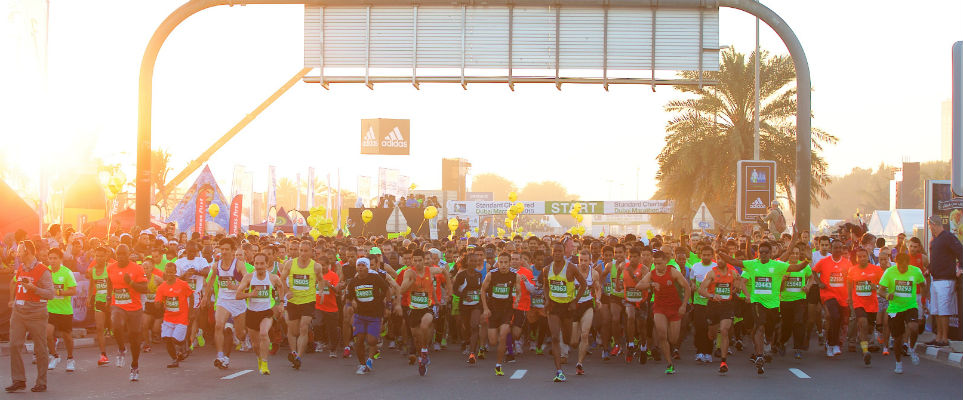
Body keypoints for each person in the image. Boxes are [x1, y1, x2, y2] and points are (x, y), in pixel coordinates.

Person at [718, 239, 807, 374]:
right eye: (761, 252)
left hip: (773, 305)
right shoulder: (753, 264)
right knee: (760, 327)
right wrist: (719, 253)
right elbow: (735, 262)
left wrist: (807, 259)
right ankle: (760, 356)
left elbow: (797, 268)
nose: (763, 254)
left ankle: (768, 342)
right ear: (758, 253)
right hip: (757, 302)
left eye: (766, 252)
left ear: (771, 253)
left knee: (769, 331)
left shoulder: (778, 265)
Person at [7, 241, 54, 393]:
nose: (17, 254)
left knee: (40, 348)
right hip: (19, 312)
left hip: (36, 313)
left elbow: (51, 294)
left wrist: (34, 288)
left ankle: (42, 382)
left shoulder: (43, 270)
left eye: (20, 251)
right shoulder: (20, 267)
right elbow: (15, 284)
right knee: (14, 345)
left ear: (27, 251)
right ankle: (19, 380)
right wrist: (13, 300)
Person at [636, 250, 690, 374]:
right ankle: (669, 363)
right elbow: (639, 285)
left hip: (675, 308)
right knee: (661, 335)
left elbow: (687, 288)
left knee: (673, 338)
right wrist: (651, 284)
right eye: (655, 263)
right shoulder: (652, 274)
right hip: (659, 307)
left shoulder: (673, 272)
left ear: (666, 261)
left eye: (659, 263)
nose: (657, 266)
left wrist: (683, 305)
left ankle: (671, 348)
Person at [398, 249, 452, 376]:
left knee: (424, 325)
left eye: (420, 260)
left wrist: (449, 287)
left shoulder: (430, 270)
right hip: (414, 308)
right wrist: (410, 282)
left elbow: (444, 271)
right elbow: (401, 290)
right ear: (412, 261)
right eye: (415, 260)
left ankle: (424, 351)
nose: (417, 263)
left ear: (424, 260)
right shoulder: (408, 272)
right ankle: (422, 357)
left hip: (428, 306)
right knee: (417, 337)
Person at [541, 241, 588, 382]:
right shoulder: (547, 269)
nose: (557, 254)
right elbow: (546, 285)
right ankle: (559, 371)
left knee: (569, 341)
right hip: (554, 307)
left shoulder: (571, 268)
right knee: (555, 338)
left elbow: (584, 284)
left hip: (567, 307)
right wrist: (547, 299)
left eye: (560, 251)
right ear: (552, 252)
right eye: (554, 251)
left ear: (564, 253)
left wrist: (575, 301)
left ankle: (573, 341)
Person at [346, 257, 398, 375]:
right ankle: (363, 364)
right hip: (360, 315)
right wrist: (349, 306)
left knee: (371, 340)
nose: (360, 268)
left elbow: (387, 290)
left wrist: (388, 306)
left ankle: (370, 358)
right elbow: (349, 297)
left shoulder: (374, 278)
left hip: (375, 314)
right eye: (359, 265)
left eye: (363, 265)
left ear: (368, 267)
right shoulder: (353, 282)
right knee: (358, 342)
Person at [107, 244, 150, 381]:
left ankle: (135, 366)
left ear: (129, 254)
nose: (120, 257)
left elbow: (145, 288)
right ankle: (121, 349)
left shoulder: (137, 268)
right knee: (116, 325)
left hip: (134, 307)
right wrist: (109, 297)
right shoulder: (111, 268)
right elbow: (110, 283)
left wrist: (130, 283)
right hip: (118, 305)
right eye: (118, 254)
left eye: (123, 254)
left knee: (134, 337)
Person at [879, 253, 927, 374]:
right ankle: (898, 363)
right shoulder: (889, 272)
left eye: (904, 267)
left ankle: (911, 348)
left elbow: (923, 285)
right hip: (895, 309)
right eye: (900, 266)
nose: (902, 269)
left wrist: (924, 300)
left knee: (914, 327)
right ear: (896, 263)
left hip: (910, 306)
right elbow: (880, 290)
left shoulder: (915, 271)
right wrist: (886, 295)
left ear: (908, 263)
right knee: (897, 339)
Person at [235, 252, 282, 375]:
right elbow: (238, 295)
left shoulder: (273, 278)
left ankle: (265, 363)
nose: (259, 266)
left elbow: (281, 286)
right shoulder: (249, 278)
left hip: (266, 311)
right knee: (255, 345)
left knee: (263, 333)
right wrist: (250, 294)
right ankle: (259, 359)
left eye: (262, 263)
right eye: (257, 263)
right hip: (251, 312)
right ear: (253, 264)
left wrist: (281, 302)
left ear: (267, 264)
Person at [699, 251, 744, 375]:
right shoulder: (712, 273)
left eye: (722, 258)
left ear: (727, 259)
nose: (720, 260)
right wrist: (712, 295)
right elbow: (701, 290)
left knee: (724, 330)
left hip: (727, 306)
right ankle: (711, 339)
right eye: (718, 258)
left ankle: (723, 362)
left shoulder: (733, 273)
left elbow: (739, 284)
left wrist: (736, 289)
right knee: (712, 333)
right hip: (713, 306)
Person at [206, 239, 247, 370]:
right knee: (219, 326)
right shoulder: (216, 265)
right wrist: (205, 297)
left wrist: (235, 286)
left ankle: (240, 337)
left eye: (226, 249)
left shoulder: (239, 265)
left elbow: (247, 281)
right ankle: (220, 356)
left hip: (238, 301)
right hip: (223, 300)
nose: (224, 252)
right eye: (222, 249)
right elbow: (211, 281)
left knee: (241, 334)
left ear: (233, 251)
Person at [925, 214, 963, 347]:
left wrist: (961, 268)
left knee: (943, 310)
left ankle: (944, 338)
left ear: (933, 224)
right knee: (935, 310)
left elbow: (960, 251)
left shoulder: (948, 237)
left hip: (946, 279)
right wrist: (929, 269)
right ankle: (938, 336)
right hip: (936, 278)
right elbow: (935, 260)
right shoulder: (934, 240)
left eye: (930, 225)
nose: (929, 228)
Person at [812, 240, 852, 358]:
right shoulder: (824, 262)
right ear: (831, 248)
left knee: (839, 321)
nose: (838, 250)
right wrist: (819, 282)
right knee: (834, 316)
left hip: (843, 296)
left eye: (840, 248)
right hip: (828, 294)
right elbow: (814, 271)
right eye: (835, 248)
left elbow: (850, 279)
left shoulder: (847, 263)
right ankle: (834, 344)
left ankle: (830, 343)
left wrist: (850, 295)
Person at [480, 251, 517, 376]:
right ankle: (499, 355)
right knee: (493, 341)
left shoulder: (514, 275)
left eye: (506, 262)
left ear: (510, 263)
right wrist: (485, 308)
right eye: (501, 262)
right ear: (498, 262)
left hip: (507, 310)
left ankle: (499, 364)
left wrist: (517, 300)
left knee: (503, 335)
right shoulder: (491, 275)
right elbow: (483, 291)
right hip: (493, 310)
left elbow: (519, 291)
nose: (503, 265)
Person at [153, 261, 193, 369]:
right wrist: (157, 304)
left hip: (181, 317)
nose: (170, 274)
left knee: (176, 339)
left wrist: (191, 312)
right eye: (168, 272)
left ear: (175, 272)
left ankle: (184, 344)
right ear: (165, 272)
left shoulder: (182, 284)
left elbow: (191, 296)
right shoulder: (161, 287)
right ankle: (175, 359)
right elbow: (158, 302)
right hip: (168, 317)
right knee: (167, 338)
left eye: (172, 272)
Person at [848, 247, 883, 366]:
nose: (862, 258)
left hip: (872, 304)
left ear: (868, 257)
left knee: (868, 328)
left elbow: (883, 286)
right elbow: (849, 284)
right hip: (859, 302)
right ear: (856, 258)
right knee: (862, 323)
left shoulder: (876, 270)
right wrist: (850, 298)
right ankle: (865, 351)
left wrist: (876, 287)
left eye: (864, 256)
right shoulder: (852, 270)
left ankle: (862, 340)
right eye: (860, 256)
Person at [45, 249, 78, 372]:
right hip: (50, 309)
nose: (52, 261)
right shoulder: (46, 271)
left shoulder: (67, 272)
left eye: (55, 258)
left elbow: (73, 290)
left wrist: (59, 292)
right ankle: (54, 356)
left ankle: (70, 359)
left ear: (60, 259)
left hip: (64, 310)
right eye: (50, 258)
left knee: (67, 337)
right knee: (47, 334)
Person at [175, 240, 210, 351]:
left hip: (195, 294)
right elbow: (174, 279)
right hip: (182, 294)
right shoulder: (180, 262)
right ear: (186, 250)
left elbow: (207, 272)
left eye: (194, 251)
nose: (192, 253)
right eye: (190, 251)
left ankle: (190, 340)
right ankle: (183, 340)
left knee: (193, 317)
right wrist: (185, 275)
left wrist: (196, 272)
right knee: (183, 318)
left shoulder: (201, 260)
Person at [570, 253, 599, 375]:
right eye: (581, 260)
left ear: (590, 261)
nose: (583, 263)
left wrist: (598, 299)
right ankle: (575, 346)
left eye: (586, 260)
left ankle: (580, 363)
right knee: (574, 342)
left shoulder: (594, 273)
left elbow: (598, 288)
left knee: (585, 334)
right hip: (574, 306)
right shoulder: (572, 271)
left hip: (587, 304)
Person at [688, 245, 716, 364]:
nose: (706, 257)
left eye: (708, 255)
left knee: (709, 329)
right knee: (699, 327)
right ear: (700, 255)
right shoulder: (695, 266)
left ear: (712, 256)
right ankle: (699, 351)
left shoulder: (715, 267)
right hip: (699, 303)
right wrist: (693, 285)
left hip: (712, 303)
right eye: (704, 255)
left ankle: (708, 353)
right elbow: (692, 280)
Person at [87, 246, 112, 365]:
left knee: (117, 327)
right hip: (99, 300)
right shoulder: (92, 270)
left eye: (102, 256)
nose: (99, 258)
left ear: (106, 256)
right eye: (97, 256)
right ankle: (103, 355)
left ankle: (121, 346)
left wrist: (110, 297)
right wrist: (88, 297)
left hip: (112, 301)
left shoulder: (110, 268)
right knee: (99, 327)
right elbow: (92, 284)